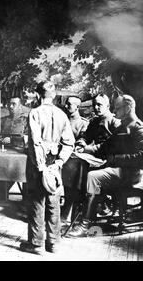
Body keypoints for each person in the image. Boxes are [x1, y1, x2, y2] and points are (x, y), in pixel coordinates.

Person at [67, 95, 143, 237]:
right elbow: (106, 146)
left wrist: (116, 159)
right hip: (119, 169)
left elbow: (142, 157)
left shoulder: (138, 127)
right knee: (85, 173)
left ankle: (85, 224)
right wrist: (85, 149)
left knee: (93, 176)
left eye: (117, 107)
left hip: (131, 173)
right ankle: (90, 214)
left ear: (127, 108)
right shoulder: (122, 125)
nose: (114, 110)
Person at [20, 81, 74, 254]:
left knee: (36, 200)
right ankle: (53, 243)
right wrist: (58, 163)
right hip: (55, 163)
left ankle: (36, 244)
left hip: (39, 163)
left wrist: (42, 167)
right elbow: (69, 143)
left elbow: (35, 143)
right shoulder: (62, 115)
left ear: (37, 95)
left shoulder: (34, 113)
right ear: (54, 96)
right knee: (54, 201)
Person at [75, 93, 122, 216]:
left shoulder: (115, 122)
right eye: (94, 105)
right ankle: (94, 204)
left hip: (112, 159)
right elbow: (85, 136)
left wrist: (88, 149)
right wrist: (81, 143)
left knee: (91, 175)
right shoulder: (94, 121)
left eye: (99, 105)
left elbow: (113, 145)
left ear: (107, 105)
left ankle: (102, 204)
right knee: (77, 168)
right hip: (96, 157)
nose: (96, 107)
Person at [0, 97, 30, 208]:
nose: (10, 107)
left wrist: (13, 140)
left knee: (17, 170)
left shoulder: (27, 120)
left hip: (20, 152)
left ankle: (23, 203)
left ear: (20, 106)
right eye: (9, 104)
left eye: (14, 104)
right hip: (5, 151)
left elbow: (28, 137)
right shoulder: (4, 120)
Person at [60, 96, 89, 225]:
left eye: (69, 104)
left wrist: (79, 145)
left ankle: (66, 212)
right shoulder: (61, 120)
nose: (66, 106)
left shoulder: (83, 123)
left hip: (74, 158)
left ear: (77, 107)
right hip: (60, 154)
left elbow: (83, 139)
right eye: (66, 104)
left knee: (73, 169)